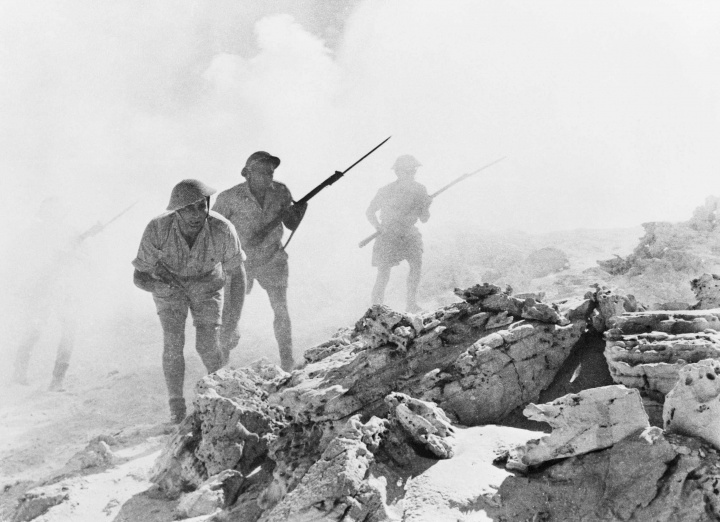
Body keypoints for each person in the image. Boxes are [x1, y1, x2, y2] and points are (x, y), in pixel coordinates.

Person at [132, 179, 245, 423]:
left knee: (207, 343)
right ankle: (176, 405)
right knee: (173, 343)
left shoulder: (223, 229)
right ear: (176, 210)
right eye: (187, 209)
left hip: (207, 283)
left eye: (201, 207)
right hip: (169, 285)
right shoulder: (157, 228)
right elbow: (139, 276)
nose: (196, 214)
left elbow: (237, 275)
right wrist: (156, 285)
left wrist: (233, 322)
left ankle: (221, 392)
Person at [213, 151, 307, 372]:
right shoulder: (229, 198)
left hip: (272, 258)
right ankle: (221, 366)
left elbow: (291, 223)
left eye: (271, 172)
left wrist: (300, 211)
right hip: (239, 263)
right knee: (230, 315)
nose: (269, 176)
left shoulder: (281, 192)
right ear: (248, 174)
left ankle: (287, 361)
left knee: (281, 310)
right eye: (263, 172)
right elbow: (213, 229)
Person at [12, 197, 97, 391]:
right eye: (48, 212)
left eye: (55, 211)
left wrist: (72, 255)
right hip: (43, 287)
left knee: (69, 331)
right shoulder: (33, 234)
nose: (51, 215)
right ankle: (19, 370)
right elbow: (23, 259)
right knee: (35, 329)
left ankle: (57, 379)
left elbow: (86, 259)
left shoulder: (72, 232)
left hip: (66, 287)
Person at [366, 154, 432, 312]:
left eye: (413, 171)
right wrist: (378, 227)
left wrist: (426, 206)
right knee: (383, 273)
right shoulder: (385, 191)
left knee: (416, 266)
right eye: (407, 171)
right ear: (398, 172)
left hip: (409, 234)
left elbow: (424, 219)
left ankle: (411, 304)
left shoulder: (420, 190)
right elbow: (370, 212)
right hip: (388, 235)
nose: (411, 174)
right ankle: (376, 308)